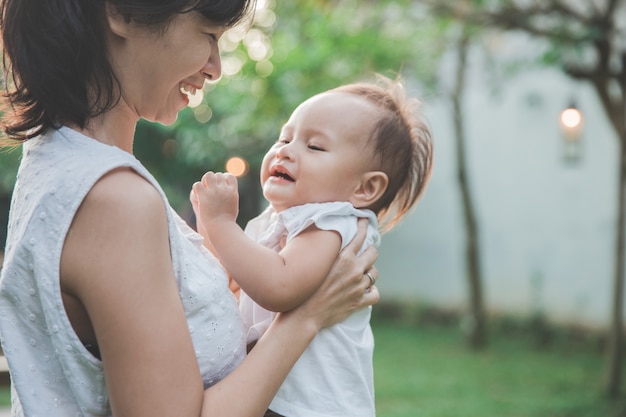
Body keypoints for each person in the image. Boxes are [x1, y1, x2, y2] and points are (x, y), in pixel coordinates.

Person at [0, 1, 381, 416]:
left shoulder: (54, 157)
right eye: (209, 35)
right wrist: (307, 317)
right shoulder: (114, 200)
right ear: (122, 13)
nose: (216, 67)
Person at [191, 76, 434, 416]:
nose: (285, 151)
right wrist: (209, 229)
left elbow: (278, 286)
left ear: (365, 189)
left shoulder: (334, 222)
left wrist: (221, 226)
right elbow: (236, 286)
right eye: (284, 137)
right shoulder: (282, 221)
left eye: (315, 146)